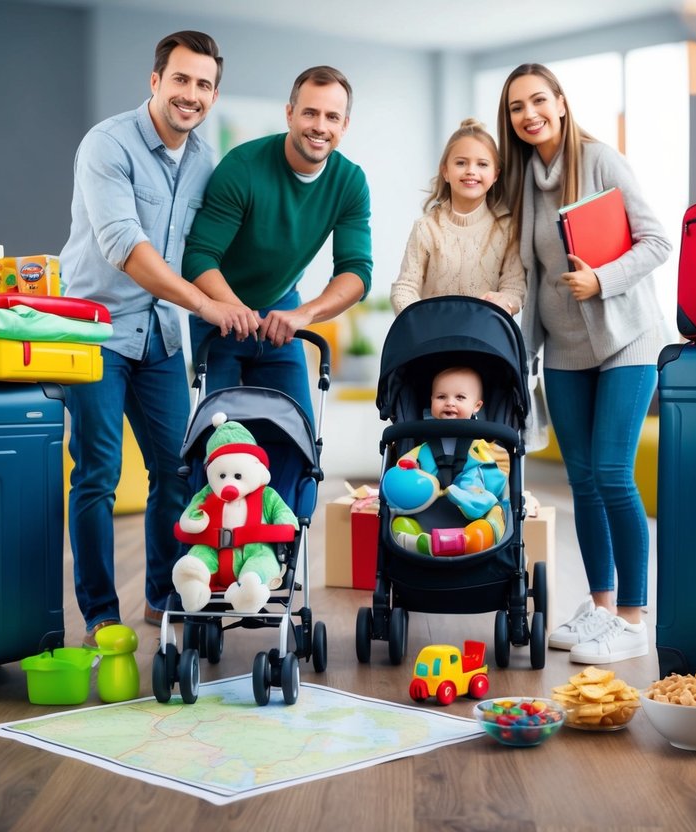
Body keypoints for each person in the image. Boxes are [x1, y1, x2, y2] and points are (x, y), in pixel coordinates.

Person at [60, 31, 260, 647]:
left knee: (178, 468)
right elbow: (127, 248)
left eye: (203, 85)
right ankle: (99, 614)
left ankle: (164, 596)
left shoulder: (205, 161)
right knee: (98, 471)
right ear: (156, 81)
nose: (191, 94)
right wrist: (203, 305)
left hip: (161, 340)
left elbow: (200, 251)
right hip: (96, 329)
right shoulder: (107, 144)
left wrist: (235, 304)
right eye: (181, 80)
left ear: (214, 93)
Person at [497, 63, 672, 664]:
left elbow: (657, 241)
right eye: (517, 106)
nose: (529, 114)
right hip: (567, 350)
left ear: (562, 103)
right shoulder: (523, 178)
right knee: (582, 483)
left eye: (539, 100)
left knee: (611, 472)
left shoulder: (601, 160)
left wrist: (601, 279)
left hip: (628, 339)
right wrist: (520, 360)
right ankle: (600, 609)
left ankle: (633, 617)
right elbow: (527, 271)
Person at [182, 65, 373, 424]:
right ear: (290, 114)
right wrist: (235, 310)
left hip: (283, 312)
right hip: (220, 313)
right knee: (215, 440)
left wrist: (305, 314)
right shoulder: (242, 167)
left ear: (344, 126)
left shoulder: (350, 182)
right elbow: (199, 257)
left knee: (297, 436)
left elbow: (357, 273)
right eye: (310, 112)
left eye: (332, 116)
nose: (320, 126)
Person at [390, 118, 525, 316]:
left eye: (482, 164)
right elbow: (404, 287)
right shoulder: (426, 228)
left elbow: (515, 288)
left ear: (495, 174)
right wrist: (421, 319)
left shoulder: (507, 229)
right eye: (461, 163)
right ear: (445, 171)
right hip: (434, 339)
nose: (471, 171)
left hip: (487, 339)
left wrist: (504, 301)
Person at [381, 367, 508, 556]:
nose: (450, 403)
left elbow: (496, 481)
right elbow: (403, 471)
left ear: (477, 406)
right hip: (426, 515)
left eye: (460, 397)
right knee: (399, 523)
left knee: (493, 517)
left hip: (472, 516)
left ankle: (472, 539)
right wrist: (411, 471)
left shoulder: (482, 447)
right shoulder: (421, 449)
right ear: (431, 401)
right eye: (441, 397)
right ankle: (421, 542)